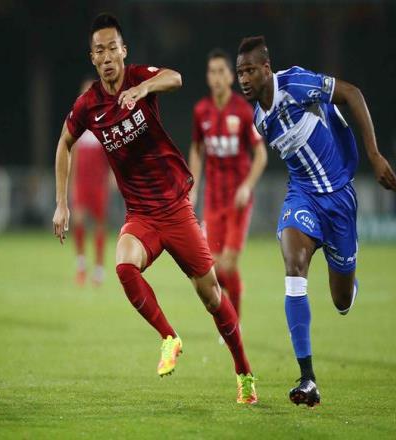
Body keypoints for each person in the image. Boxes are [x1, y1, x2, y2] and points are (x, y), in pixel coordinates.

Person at [53, 13, 257, 404]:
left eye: (113, 48)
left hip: (176, 209)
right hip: (141, 216)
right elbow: (64, 143)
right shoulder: (88, 105)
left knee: (212, 296)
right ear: (92, 58)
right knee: (124, 266)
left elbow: (176, 78)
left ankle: (244, 373)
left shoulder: (138, 78)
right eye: (100, 51)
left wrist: (143, 88)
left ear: (124, 51)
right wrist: (62, 204)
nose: (107, 56)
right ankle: (169, 337)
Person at [236, 36, 396, 407]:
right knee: (294, 267)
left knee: (341, 302)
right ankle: (307, 378)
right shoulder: (260, 119)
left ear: (266, 68)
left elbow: (352, 94)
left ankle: (349, 284)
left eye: (250, 71)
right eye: (240, 72)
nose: (243, 79)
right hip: (302, 197)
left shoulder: (295, 84)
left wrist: (374, 155)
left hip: (339, 199)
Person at [189, 48, 267, 319]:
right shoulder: (201, 111)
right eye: (212, 72)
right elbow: (196, 150)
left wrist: (247, 186)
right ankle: (234, 297)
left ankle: (235, 324)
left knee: (229, 263)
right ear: (208, 77)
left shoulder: (243, 111)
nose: (217, 77)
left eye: (222, 71)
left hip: (238, 200)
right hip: (213, 199)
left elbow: (261, 155)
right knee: (210, 269)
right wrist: (194, 187)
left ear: (231, 77)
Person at [70, 77, 111, 286]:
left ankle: (99, 268)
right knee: (77, 220)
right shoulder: (76, 123)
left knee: (99, 225)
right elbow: (73, 154)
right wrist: (71, 182)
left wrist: (113, 175)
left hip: (99, 183)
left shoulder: (105, 122)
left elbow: (113, 152)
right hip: (81, 183)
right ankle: (81, 265)